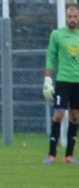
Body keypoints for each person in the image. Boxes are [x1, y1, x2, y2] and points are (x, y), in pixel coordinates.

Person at [43, 4, 79, 164]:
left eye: (75, 17)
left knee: (75, 117)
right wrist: (47, 79)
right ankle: (51, 154)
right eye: (70, 17)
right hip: (63, 81)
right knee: (58, 114)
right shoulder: (57, 35)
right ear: (66, 18)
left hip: (77, 82)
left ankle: (69, 156)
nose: (72, 19)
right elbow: (51, 57)